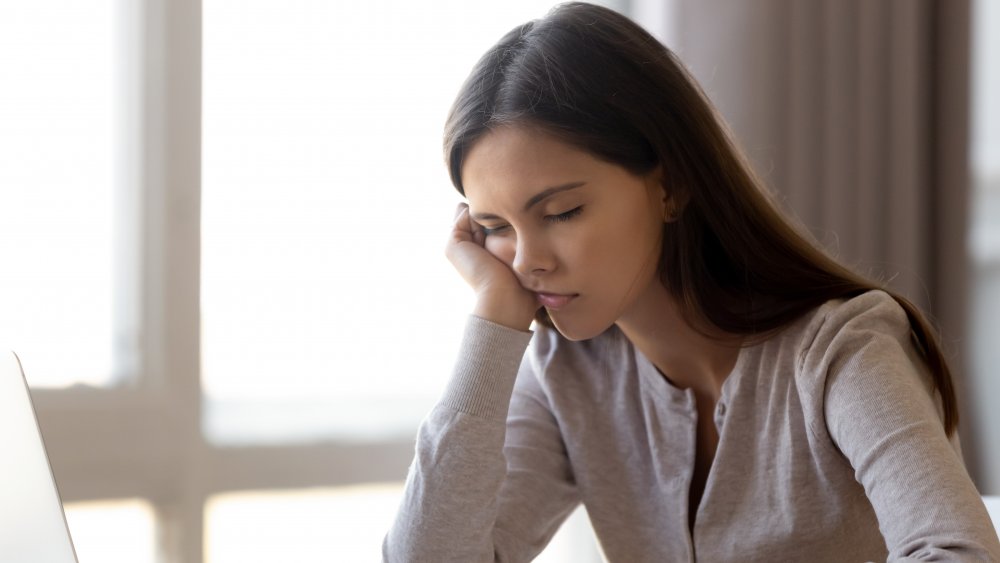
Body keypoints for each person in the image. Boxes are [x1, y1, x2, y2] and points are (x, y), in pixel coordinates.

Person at [383, 2, 1000, 561]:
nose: (524, 261)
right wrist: (492, 322)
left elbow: (957, 551)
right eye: (495, 226)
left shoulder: (843, 351)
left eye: (561, 212)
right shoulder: (567, 373)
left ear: (670, 184)